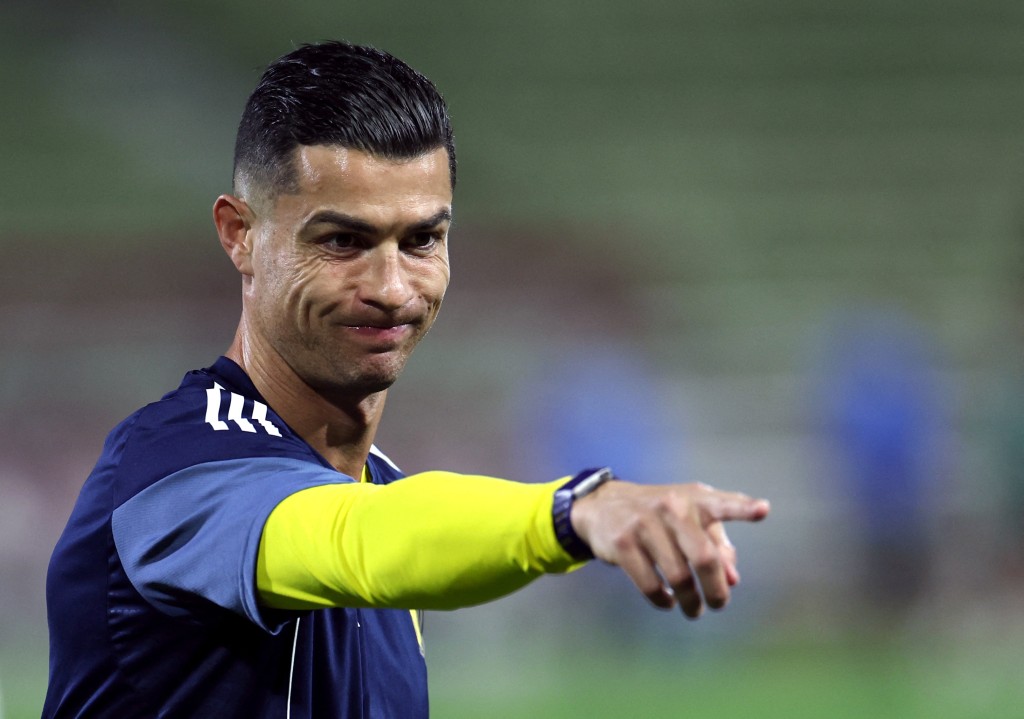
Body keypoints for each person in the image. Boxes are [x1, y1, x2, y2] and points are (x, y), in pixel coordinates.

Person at [42, 41, 770, 718]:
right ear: (242, 235)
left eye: (422, 239)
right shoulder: (174, 465)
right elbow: (351, 540)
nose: (392, 287)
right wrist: (574, 512)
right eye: (342, 241)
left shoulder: (383, 498)